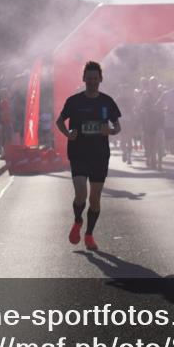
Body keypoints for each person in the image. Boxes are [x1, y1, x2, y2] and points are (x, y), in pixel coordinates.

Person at [56, 61, 122, 252]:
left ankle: (89, 234)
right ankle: (78, 221)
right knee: (80, 194)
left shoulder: (107, 102)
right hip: (78, 153)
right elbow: (60, 121)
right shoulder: (74, 101)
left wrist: (109, 130)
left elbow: (117, 127)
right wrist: (67, 134)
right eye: (89, 78)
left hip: (100, 155)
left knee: (94, 199)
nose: (92, 82)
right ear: (83, 79)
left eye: (95, 78)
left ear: (100, 79)